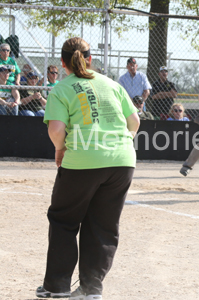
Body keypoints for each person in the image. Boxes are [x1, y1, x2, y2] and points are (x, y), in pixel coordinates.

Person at [35, 37, 140, 300]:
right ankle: (91, 289)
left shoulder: (61, 88)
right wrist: (116, 145)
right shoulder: (112, 84)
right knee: (103, 225)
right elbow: (135, 122)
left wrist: (60, 148)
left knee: (64, 220)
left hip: (82, 161)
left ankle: (56, 287)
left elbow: (57, 130)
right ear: (90, 58)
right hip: (122, 161)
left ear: (61, 62)